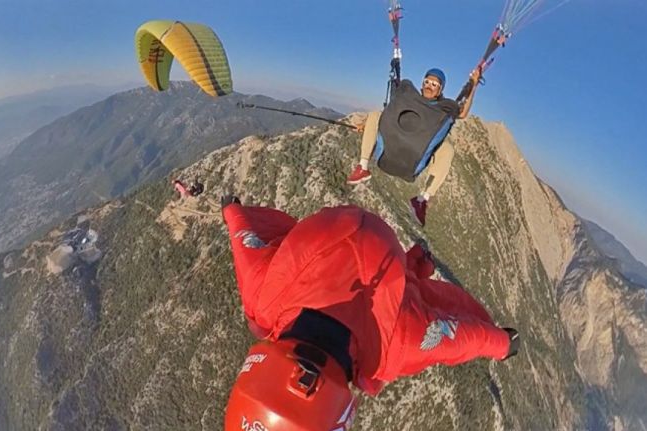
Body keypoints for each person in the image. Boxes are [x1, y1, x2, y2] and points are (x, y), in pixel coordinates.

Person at [221, 197, 520, 430]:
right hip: (334, 226)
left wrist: (504, 344)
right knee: (260, 320)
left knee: (398, 309)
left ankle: (412, 271)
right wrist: (232, 209)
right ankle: (409, 275)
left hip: (383, 250)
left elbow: (461, 338)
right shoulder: (262, 297)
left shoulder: (391, 350)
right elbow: (244, 239)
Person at [347, 68, 481, 226]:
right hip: (387, 151)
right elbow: (389, 117)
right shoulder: (409, 99)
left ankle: (423, 199)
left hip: (412, 162)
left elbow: (462, 113)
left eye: (434, 84)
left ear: (440, 90)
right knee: (375, 115)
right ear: (422, 84)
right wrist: (369, 126)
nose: (429, 86)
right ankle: (362, 167)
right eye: (427, 82)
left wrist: (474, 85)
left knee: (447, 149)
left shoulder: (442, 110)